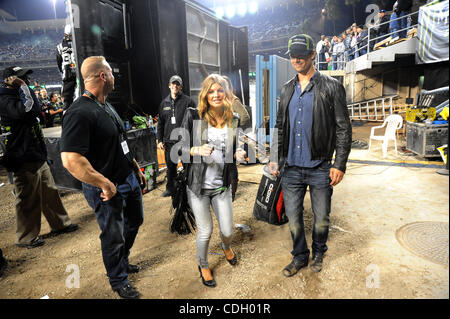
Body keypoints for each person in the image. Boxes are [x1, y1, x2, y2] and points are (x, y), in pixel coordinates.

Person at [60, 56, 145, 299]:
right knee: (113, 235)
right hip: (107, 189)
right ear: (102, 76)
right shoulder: (79, 112)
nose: (114, 76)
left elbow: (119, 141)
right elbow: (70, 159)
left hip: (127, 177)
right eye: (111, 72)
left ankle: (122, 261)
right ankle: (118, 279)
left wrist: (135, 166)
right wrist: (104, 183)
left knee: (134, 221)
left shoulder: (105, 104)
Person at [268, 34, 351, 276]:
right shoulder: (286, 90)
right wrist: (275, 157)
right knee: (293, 217)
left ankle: (319, 251)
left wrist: (340, 164)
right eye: (293, 55)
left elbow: (343, 128)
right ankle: (300, 256)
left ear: (313, 55)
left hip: (320, 167)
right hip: (291, 168)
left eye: (301, 55)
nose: (296, 59)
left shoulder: (332, 87)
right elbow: (279, 125)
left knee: (322, 216)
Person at [0, 66, 78, 249]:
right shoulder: (3, 99)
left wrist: (24, 89)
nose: (25, 79)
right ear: (8, 80)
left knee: (49, 190)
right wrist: (25, 88)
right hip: (21, 155)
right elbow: (29, 111)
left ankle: (60, 223)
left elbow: (35, 111)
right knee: (27, 197)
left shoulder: (19, 93)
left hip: (35, 152)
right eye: (21, 77)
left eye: (25, 77)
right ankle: (26, 237)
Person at [179, 74, 246, 287]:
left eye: (219, 90)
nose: (215, 94)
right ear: (205, 94)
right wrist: (195, 149)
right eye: (211, 91)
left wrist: (239, 154)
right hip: (198, 187)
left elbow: (232, 151)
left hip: (222, 186)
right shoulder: (194, 116)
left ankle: (226, 247)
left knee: (228, 230)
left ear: (226, 93)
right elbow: (177, 149)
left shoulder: (232, 119)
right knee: (206, 231)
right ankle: (203, 264)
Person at [157, 75, 196, 198]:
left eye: (177, 84)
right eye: (173, 84)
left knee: (188, 165)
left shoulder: (188, 101)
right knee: (171, 167)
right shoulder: (164, 103)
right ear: (169, 85)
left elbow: (195, 121)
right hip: (169, 142)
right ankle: (170, 189)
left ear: (181, 87)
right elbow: (160, 123)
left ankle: (191, 187)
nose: (175, 86)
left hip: (185, 141)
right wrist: (159, 140)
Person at [56, 25, 77, 111]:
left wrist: (64, 71)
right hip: (80, 73)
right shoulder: (78, 44)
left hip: (67, 75)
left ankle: (67, 119)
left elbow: (59, 62)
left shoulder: (59, 46)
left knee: (67, 102)